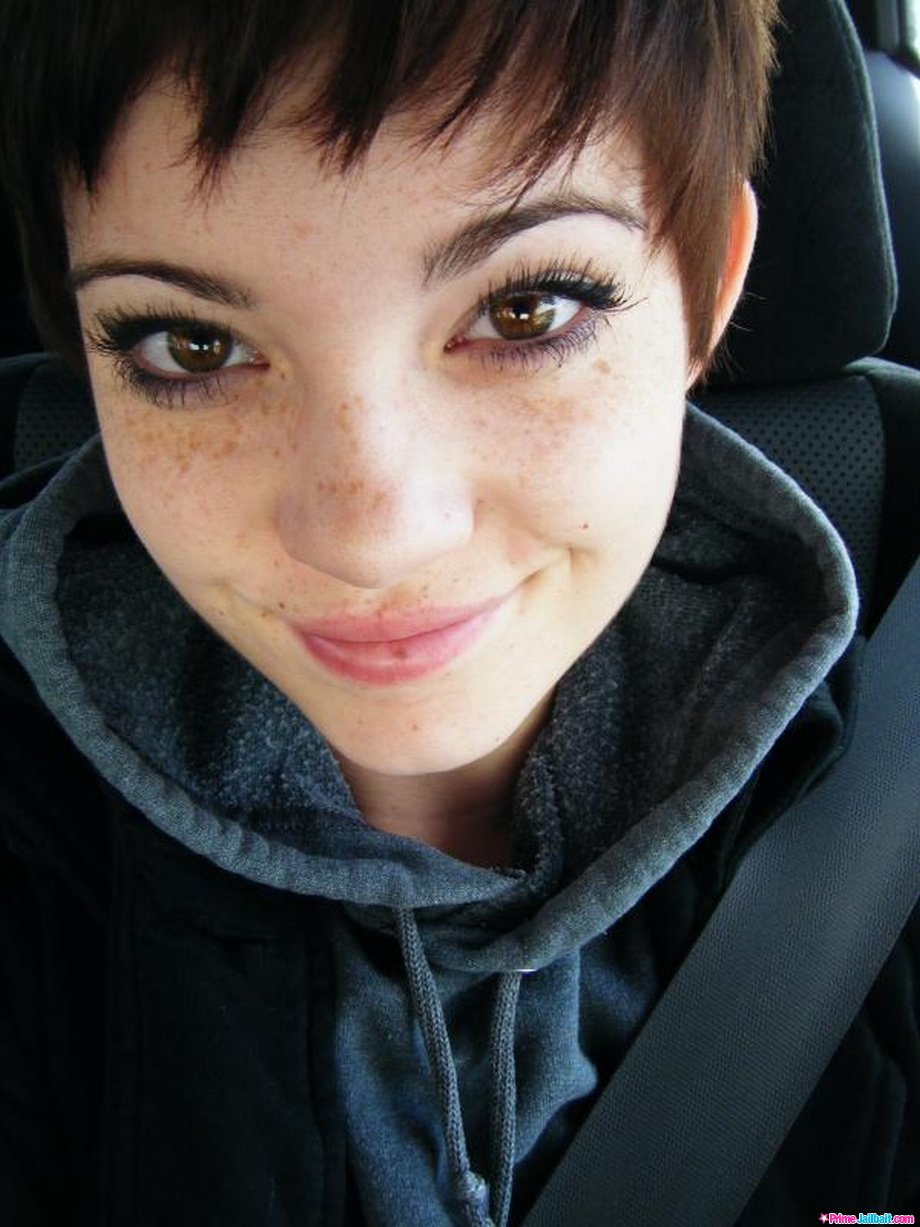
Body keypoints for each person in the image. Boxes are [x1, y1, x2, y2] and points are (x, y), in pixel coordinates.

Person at [0, 1, 916, 1223]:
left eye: (525, 309)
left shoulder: (895, 796)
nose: (371, 534)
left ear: (706, 294)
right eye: (190, 346)